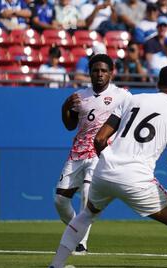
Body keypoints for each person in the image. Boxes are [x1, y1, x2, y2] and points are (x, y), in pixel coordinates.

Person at [42, 64, 167, 268]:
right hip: (137, 180)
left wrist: (109, 163)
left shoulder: (131, 99)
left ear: (157, 84)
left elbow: (99, 139)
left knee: (85, 216)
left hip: (103, 171)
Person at [53, 53, 132, 254]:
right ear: (89, 72)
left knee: (88, 193)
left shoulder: (123, 95)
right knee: (60, 200)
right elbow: (70, 126)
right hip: (78, 152)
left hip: (101, 151)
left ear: (111, 73)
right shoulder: (80, 96)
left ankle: (81, 244)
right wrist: (65, 107)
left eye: (104, 71)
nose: (99, 74)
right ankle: (76, 230)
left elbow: (131, 120)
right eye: (95, 70)